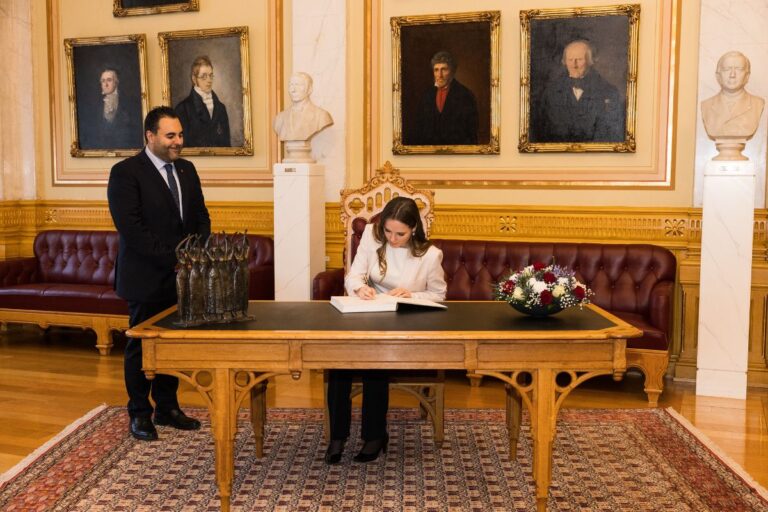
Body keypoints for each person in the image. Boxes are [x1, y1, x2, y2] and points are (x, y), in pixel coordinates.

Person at [107, 106, 211, 441]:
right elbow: (132, 229)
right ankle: (139, 413)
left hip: (183, 278)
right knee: (141, 349)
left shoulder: (187, 169)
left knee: (172, 347)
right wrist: (175, 259)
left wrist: (195, 256)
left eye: (180, 135)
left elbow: (200, 217)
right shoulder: (125, 173)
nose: (178, 141)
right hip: (145, 277)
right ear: (150, 136)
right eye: (170, 135)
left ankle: (167, 407)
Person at [325, 197, 447, 464]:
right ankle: (337, 436)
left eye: (400, 233)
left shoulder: (430, 254)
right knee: (336, 364)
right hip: (366, 312)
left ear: (414, 228)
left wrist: (412, 294)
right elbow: (353, 274)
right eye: (388, 231)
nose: (392, 238)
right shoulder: (371, 234)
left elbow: (438, 294)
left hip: (402, 323)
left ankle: (374, 435)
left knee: (375, 366)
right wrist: (359, 288)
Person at [535, 40, 624, 143]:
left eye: (579, 60)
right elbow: (541, 131)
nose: (574, 65)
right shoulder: (551, 92)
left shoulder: (608, 92)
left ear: (590, 61)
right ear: (564, 62)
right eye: (570, 60)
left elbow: (612, 133)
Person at [412, 51, 478, 145]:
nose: (440, 75)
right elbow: (419, 130)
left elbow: (471, 134)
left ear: (452, 71)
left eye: (444, 69)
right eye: (436, 70)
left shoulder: (465, 96)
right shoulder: (426, 96)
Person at [701, 51, 764, 140]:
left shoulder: (757, 104)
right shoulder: (706, 105)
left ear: (747, 75)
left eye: (739, 69)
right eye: (727, 69)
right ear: (718, 75)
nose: (732, 75)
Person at [175, 56, 231, 147]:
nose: (209, 80)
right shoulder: (182, 109)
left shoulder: (221, 108)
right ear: (194, 79)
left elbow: (227, 145)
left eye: (211, 75)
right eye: (204, 76)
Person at [82, 67, 142, 149]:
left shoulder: (129, 102)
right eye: (103, 81)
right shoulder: (95, 106)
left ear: (116, 82)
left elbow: (134, 131)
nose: (106, 84)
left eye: (109, 80)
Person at [272, 72, 333, 141]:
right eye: (291, 85)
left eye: (298, 85)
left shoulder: (321, 116)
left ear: (309, 89)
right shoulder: (279, 118)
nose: (293, 90)